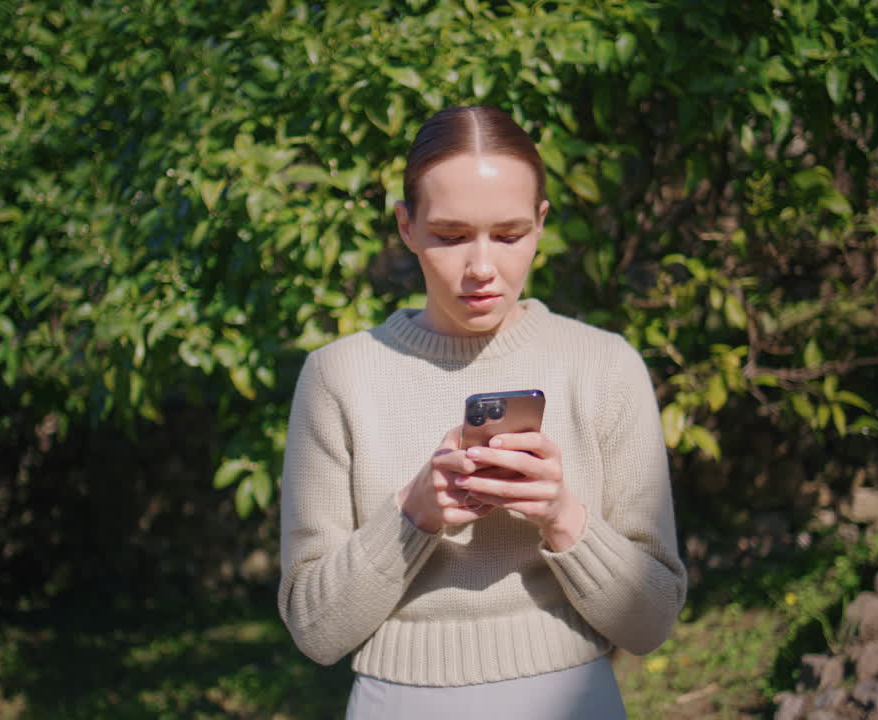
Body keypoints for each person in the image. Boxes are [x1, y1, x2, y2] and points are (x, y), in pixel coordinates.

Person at [278, 105, 687, 719]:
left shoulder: (604, 366)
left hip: (573, 699)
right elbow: (315, 629)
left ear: (542, 223)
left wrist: (563, 517)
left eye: (509, 234)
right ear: (406, 227)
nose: (481, 268)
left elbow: (651, 623)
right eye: (449, 235)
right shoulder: (339, 376)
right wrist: (413, 514)